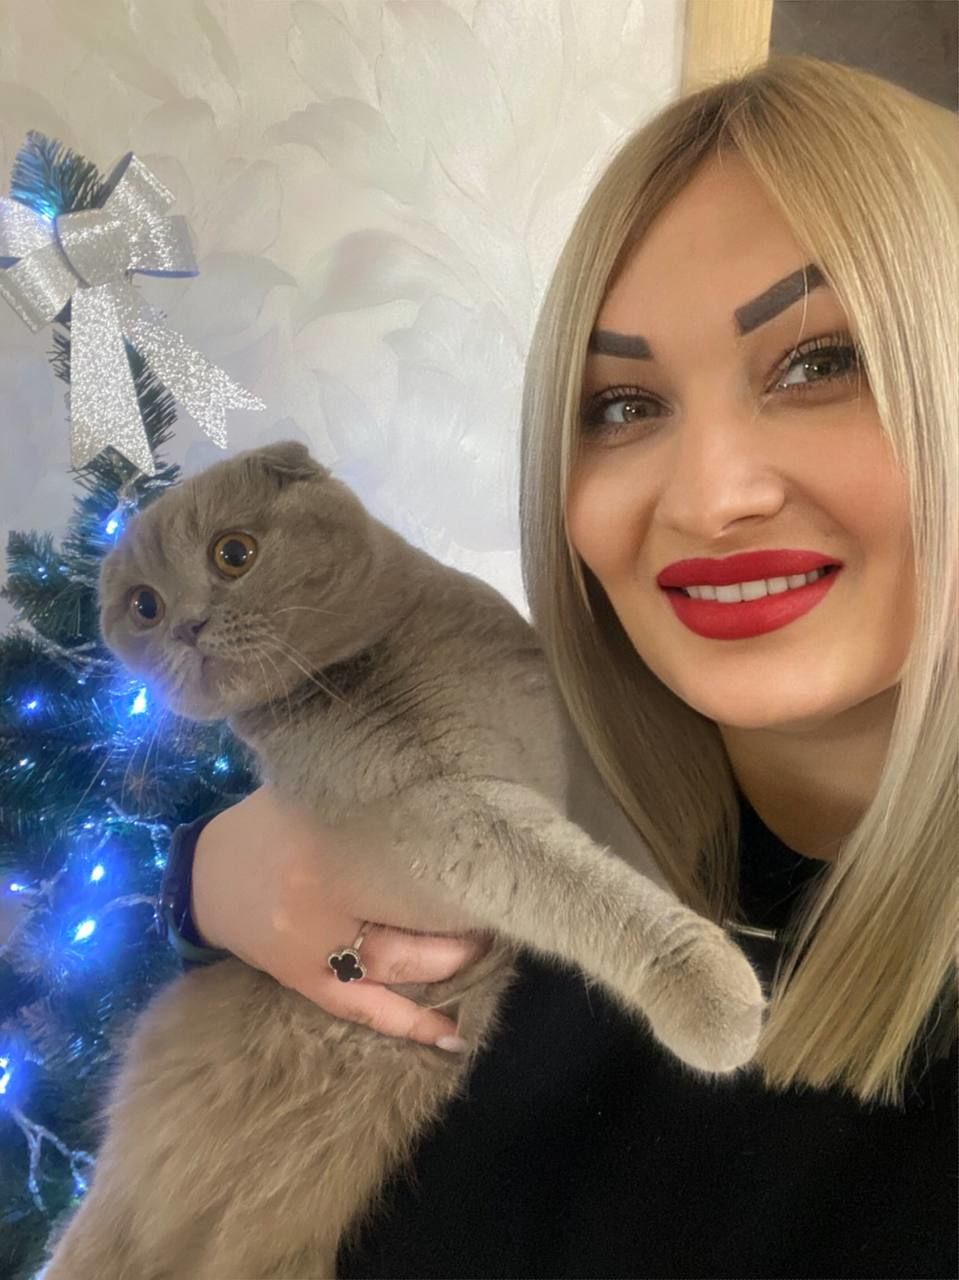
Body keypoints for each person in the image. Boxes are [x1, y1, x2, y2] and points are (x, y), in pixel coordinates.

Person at [157, 55, 957, 1278]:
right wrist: (203, 879)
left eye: (816, 363)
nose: (708, 497)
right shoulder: (526, 838)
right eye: (624, 405)